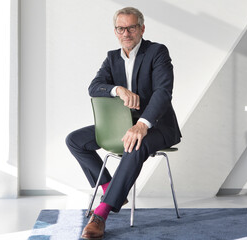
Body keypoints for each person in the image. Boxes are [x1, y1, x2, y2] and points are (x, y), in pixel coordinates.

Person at [66, 7, 181, 239]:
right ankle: (111, 189)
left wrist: (143, 124)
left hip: (159, 126)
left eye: (131, 27)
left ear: (142, 29)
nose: (126, 33)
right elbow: (94, 86)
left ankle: (101, 214)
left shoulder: (157, 52)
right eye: (121, 28)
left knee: (134, 143)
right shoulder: (112, 58)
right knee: (75, 140)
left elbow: (163, 92)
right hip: (124, 124)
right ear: (116, 31)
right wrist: (117, 89)